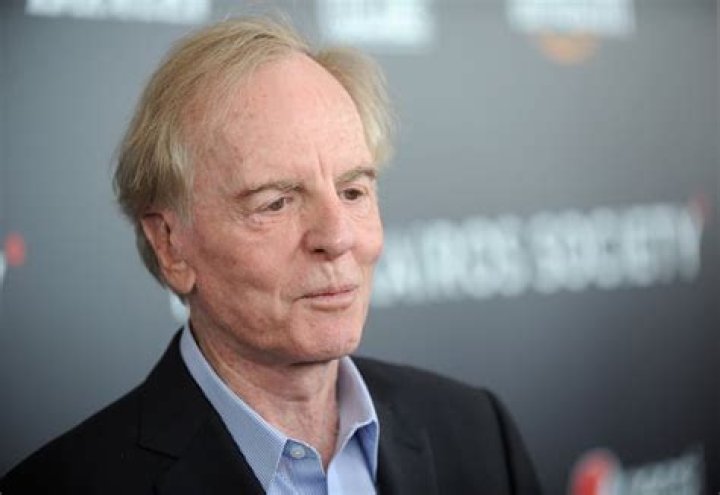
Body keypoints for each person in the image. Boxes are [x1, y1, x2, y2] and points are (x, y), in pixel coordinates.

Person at [0, 17, 541, 494]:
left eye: (353, 191)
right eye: (276, 202)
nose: (337, 236)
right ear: (170, 244)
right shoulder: (63, 485)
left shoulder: (477, 432)